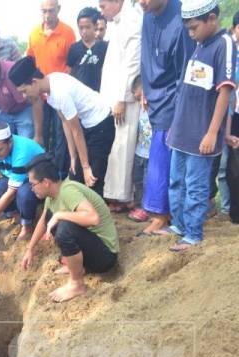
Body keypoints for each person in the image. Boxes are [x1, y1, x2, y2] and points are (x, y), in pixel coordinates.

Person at [163, 0, 234, 251]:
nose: (191, 34)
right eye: (188, 29)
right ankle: (179, 225)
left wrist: (213, 133)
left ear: (212, 19)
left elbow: (225, 91)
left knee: (195, 186)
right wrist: (174, 125)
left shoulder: (223, 43)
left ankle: (193, 234)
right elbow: (187, 90)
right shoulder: (199, 44)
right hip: (182, 131)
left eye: (194, 28)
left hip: (200, 135)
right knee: (176, 181)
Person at [9, 56, 115, 198]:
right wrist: (73, 157)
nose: (24, 96)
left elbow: (76, 131)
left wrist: (85, 166)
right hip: (87, 125)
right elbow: (65, 122)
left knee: (92, 178)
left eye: (24, 91)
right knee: (75, 175)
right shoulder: (50, 87)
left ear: (34, 82)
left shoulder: (59, 93)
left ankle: (97, 216)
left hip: (101, 123)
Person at [22, 155, 119, 302]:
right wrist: (30, 249)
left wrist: (60, 215)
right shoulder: (51, 196)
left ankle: (77, 284)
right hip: (91, 249)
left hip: (105, 256)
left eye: (33, 184)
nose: (31, 188)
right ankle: (76, 266)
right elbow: (43, 221)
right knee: (51, 217)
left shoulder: (68, 191)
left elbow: (93, 218)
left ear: (46, 182)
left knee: (65, 228)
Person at [138, 0, 196, 234]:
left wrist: (180, 110)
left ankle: (162, 214)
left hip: (173, 99)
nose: (141, 2)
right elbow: (146, 56)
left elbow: (185, 71)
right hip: (153, 95)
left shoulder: (181, 21)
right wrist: (144, 86)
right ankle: (161, 212)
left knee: (163, 159)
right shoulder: (147, 14)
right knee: (159, 157)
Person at [99, 0, 143, 212]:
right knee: (116, 147)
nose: (101, 10)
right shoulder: (118, 22)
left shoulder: (132, 18)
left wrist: (122, 98)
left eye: (103, 5)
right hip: (113, 97)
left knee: (124, 146)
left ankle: (124, 197)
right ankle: (116, 196)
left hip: (124, 100)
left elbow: (133, 62)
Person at [27, 0, 76, 179]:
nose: (47, 16)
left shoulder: (68, 33)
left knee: (61, 135)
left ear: (58, 10)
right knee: (40, 134)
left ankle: (60, 175)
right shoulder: (34, 34)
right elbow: (30, 62)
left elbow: (72, 65)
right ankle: (40, 175)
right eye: (44, 11)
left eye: (51, 11)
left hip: (60, 94)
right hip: (40, 96)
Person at [0, 47, 42, 141]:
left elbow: (36, 100)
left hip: (24, 109)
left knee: (26, 143)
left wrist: (38, 135)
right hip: (5, 112)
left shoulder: (13, 73)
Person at [67, 7, 108, 92]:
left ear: (95, 26)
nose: (84, 31)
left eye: (87, 27)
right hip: (79, 95)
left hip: (98, 94)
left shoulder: (104, 47)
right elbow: (69, 73)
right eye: (81, 28)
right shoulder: (74, 48)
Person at [128, 76, 151, 223]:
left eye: (139, 96)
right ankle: (138, 204)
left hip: (150, 154)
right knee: (137, 179)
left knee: (147, 181)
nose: (139, 100)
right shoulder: (140, 109)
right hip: (139, 151)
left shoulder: (156, 108)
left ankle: (146, 208)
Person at [225, 11, 239, 224]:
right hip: (235, 117)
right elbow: (229, 95)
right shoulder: (230, 55)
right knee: (234, 167)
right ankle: (235, 212)